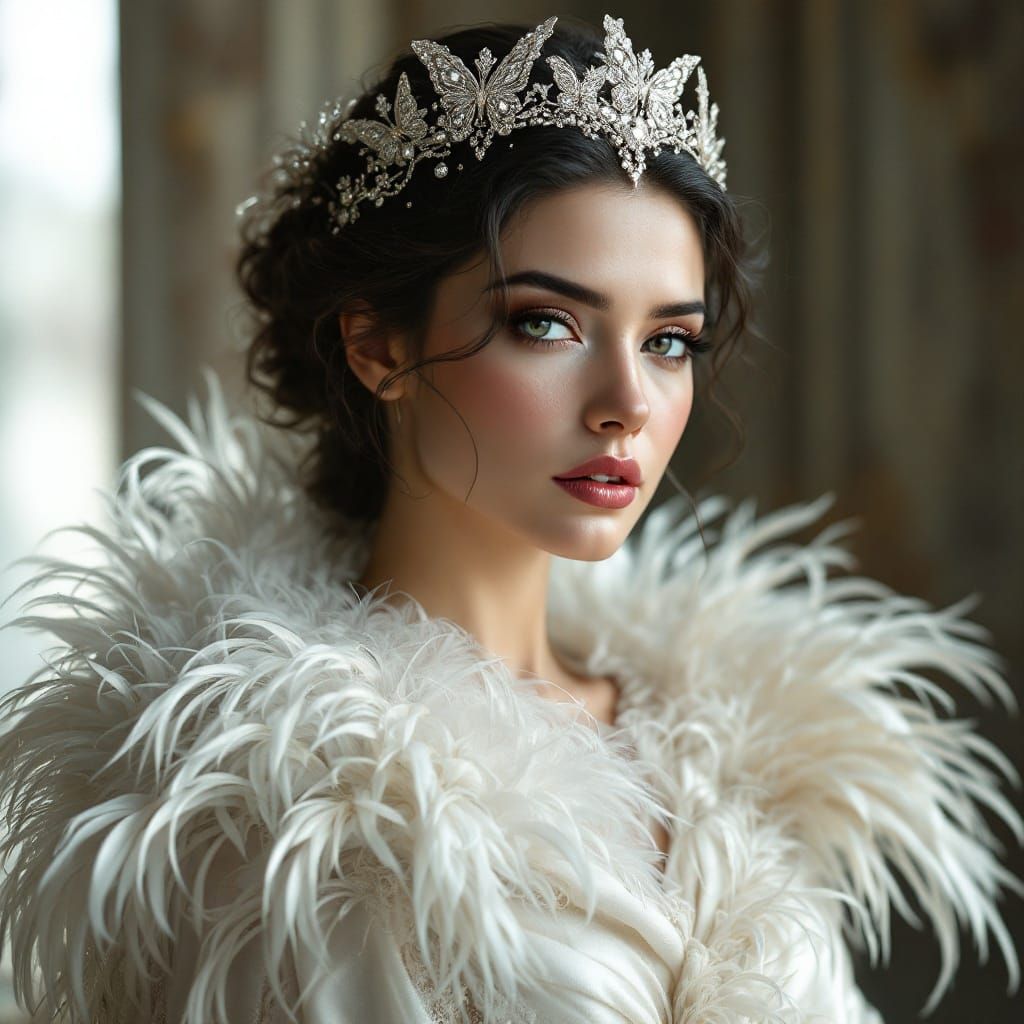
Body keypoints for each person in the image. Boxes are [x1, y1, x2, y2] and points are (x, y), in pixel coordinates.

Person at [0, 13, 1020, 1024]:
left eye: (668, 341)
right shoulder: (289, 806)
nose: (626, 398)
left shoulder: (733, 738)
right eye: (546, 322)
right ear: (376, 345)